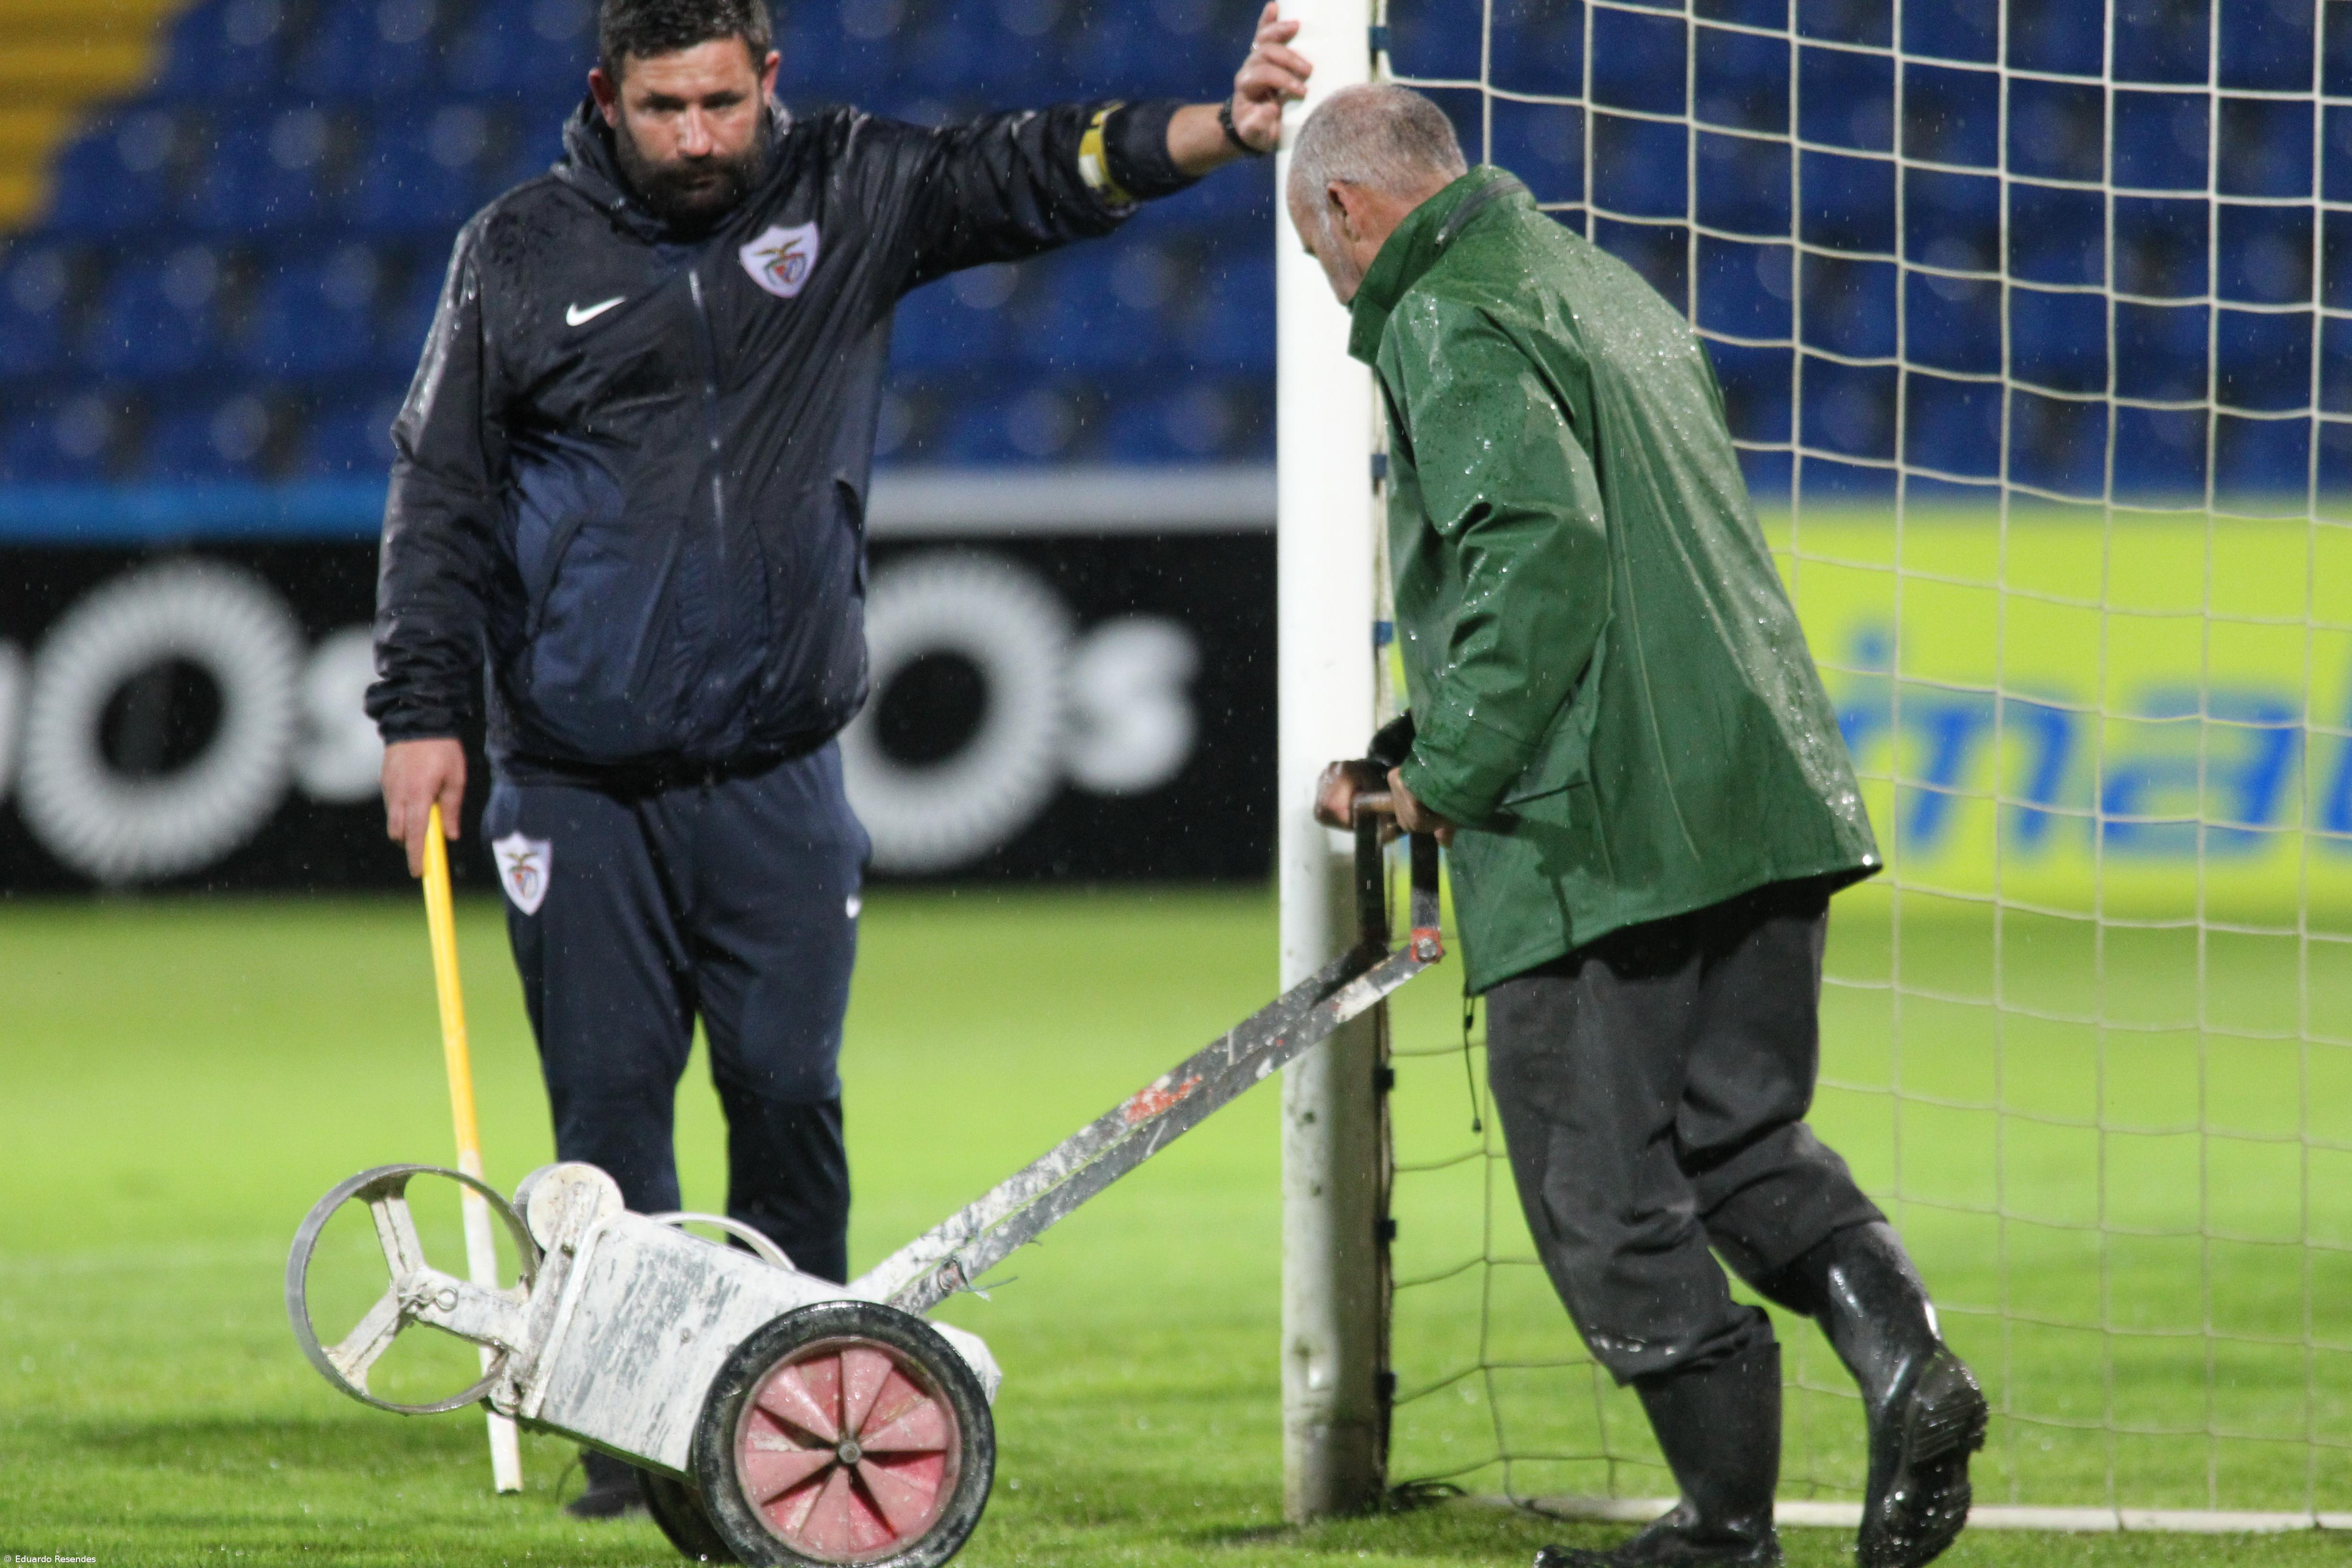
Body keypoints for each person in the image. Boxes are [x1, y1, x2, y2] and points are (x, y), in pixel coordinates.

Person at [368, 0, 1311, 1518]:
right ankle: (636, 1434)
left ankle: (795, 1405)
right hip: (573, 777)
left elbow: (1031, 173)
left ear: (771, 86)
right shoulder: (518, 254)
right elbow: (442, 495)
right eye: (665, 108)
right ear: (607, 96)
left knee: (787, 1092)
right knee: (608, 1123)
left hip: (780, 771)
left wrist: (1221, 127)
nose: (696, 139)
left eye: (723, 106)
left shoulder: (850, 189)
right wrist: (420, 709)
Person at [1294, 85, 1985, 1568]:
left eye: (1320, 254)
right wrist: (1428, 730)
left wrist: (1447, 775)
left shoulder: (1440, 311)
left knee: (1601, 1191)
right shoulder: (1600, 282)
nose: (1335, 284)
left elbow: (1545, 548)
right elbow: (1620, 550)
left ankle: (1727, 1534)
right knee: (1741, 1145)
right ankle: (1907, 1360)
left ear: (1350, 210)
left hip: (1603, 831)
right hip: (1761, 791)